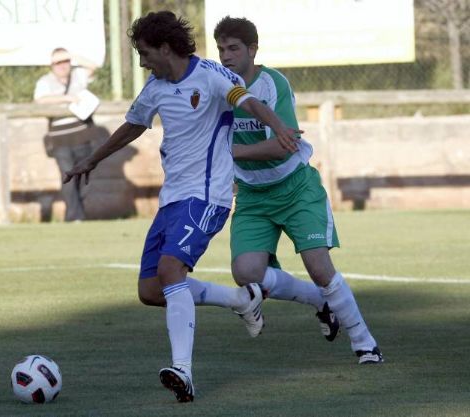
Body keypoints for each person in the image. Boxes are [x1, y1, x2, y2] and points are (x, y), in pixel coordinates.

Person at [63, 11, 301, 403]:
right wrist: (93, 159)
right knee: (151, 290)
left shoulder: (211, 75)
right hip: (172, 199)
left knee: (171, 269)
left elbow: (250, 102)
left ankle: (183, 372)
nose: (142, 63)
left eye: (144, 53)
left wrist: (278, 126)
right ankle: (242, 300)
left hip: (208, 195)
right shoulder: (156, 86)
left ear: (166, 48)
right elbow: (134, 124)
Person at [213, 16, 383, 364]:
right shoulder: (218, 86)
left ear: (252, 50)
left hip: (295, 189)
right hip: (252, 195)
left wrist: (232, 153)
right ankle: (319, 301)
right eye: (221, 49)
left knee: (319, 267)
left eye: (233, 48)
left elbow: (285, 144)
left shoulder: (272, 83)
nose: (226, 56)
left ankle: (365, 343)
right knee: (246, 273)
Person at [34, 47, 98, 222]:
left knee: (84, 178)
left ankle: (79, 214)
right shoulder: (44, 82)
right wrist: (67, 98)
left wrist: (72, 56)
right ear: (51, 65)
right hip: (60, 139)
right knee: (68, 177)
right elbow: (40, 100)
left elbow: (93, 66)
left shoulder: (78, 75)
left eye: (65, 61)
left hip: (82, 136)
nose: (62, 66)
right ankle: (73, 217)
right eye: (57, 62)